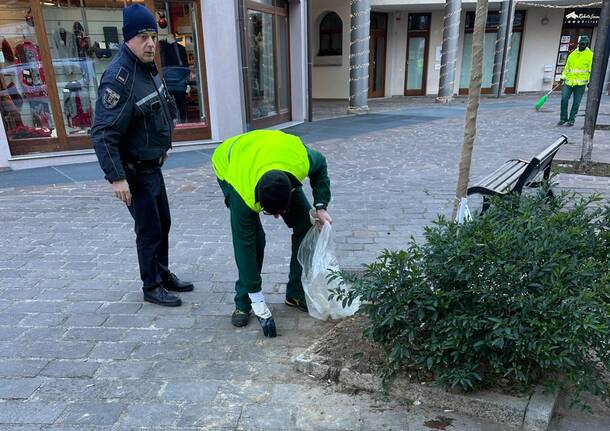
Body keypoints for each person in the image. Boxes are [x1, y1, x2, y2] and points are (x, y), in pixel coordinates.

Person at [91, 4, 193, 306]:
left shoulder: (145, 68)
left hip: (152, 167)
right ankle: (151, 287)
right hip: (135, 172)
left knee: (163, 222)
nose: (150, 43)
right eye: (142, 36)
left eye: (153, 35)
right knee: (149, 230)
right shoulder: (119, 78)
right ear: (128, 39)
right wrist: (117, 178)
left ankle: (162, 274)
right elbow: (103, 132)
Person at [212, 130, 332, 337]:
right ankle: (244, 301)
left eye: (280, 211)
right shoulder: (244, 193)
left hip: (278, 154)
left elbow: (320, 165)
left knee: (306, 224)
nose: (276, 216)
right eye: (270, 212)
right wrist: (259, 302)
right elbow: (244, 246)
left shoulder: (301, 162)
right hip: (231, 160)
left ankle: (295, 293)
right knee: (255, 241)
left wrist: (320, 206)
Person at [558, 35, 593, 127]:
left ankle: (571, 120)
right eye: (581, 43)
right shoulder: (572, 54)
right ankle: (563, 118)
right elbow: (567, 68)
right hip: (569, 82)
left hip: (580, 84)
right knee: (564, 99)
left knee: (576, 103)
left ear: (587, 44)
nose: (582, 45)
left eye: (584, 44)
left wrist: (590, 81)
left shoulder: (590, 56)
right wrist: (562, 77)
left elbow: (591, 70)